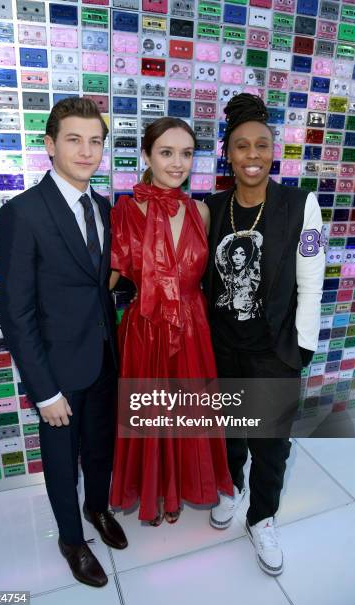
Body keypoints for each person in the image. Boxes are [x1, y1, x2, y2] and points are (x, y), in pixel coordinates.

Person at [0, 97, 127, 589]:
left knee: (100, 451)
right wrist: (44, 390)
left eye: (95, 141)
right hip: (56, 373)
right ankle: (71, 539)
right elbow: (17, 312)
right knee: (59, 463)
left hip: (103, 360)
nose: (86, 151)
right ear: (50, 145)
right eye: (74, 139)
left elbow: (102, 283)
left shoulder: (106, 207)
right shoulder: (22, 213)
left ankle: (97, 509)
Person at [203, 93, 325, 576]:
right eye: (241, 146)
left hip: (276, 348)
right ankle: (231, 489)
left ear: (272, 150)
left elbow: (312, 280)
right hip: (223, 345)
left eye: (261, 145)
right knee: (229, 431)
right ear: (227, 154)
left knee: (270, 442)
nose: (252, 155)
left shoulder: (300, 205)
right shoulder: (212, 207)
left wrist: (303, 347)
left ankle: (263, 516)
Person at [109, 117, 233, 525]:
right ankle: (153, 493)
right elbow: (105, 281)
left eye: (185, 153)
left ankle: (176, 490)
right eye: (166, 152)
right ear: (146, 155)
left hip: (192, 328)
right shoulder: (124, 212)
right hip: (145, 329)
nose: (177, 163)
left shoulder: (202, 211)